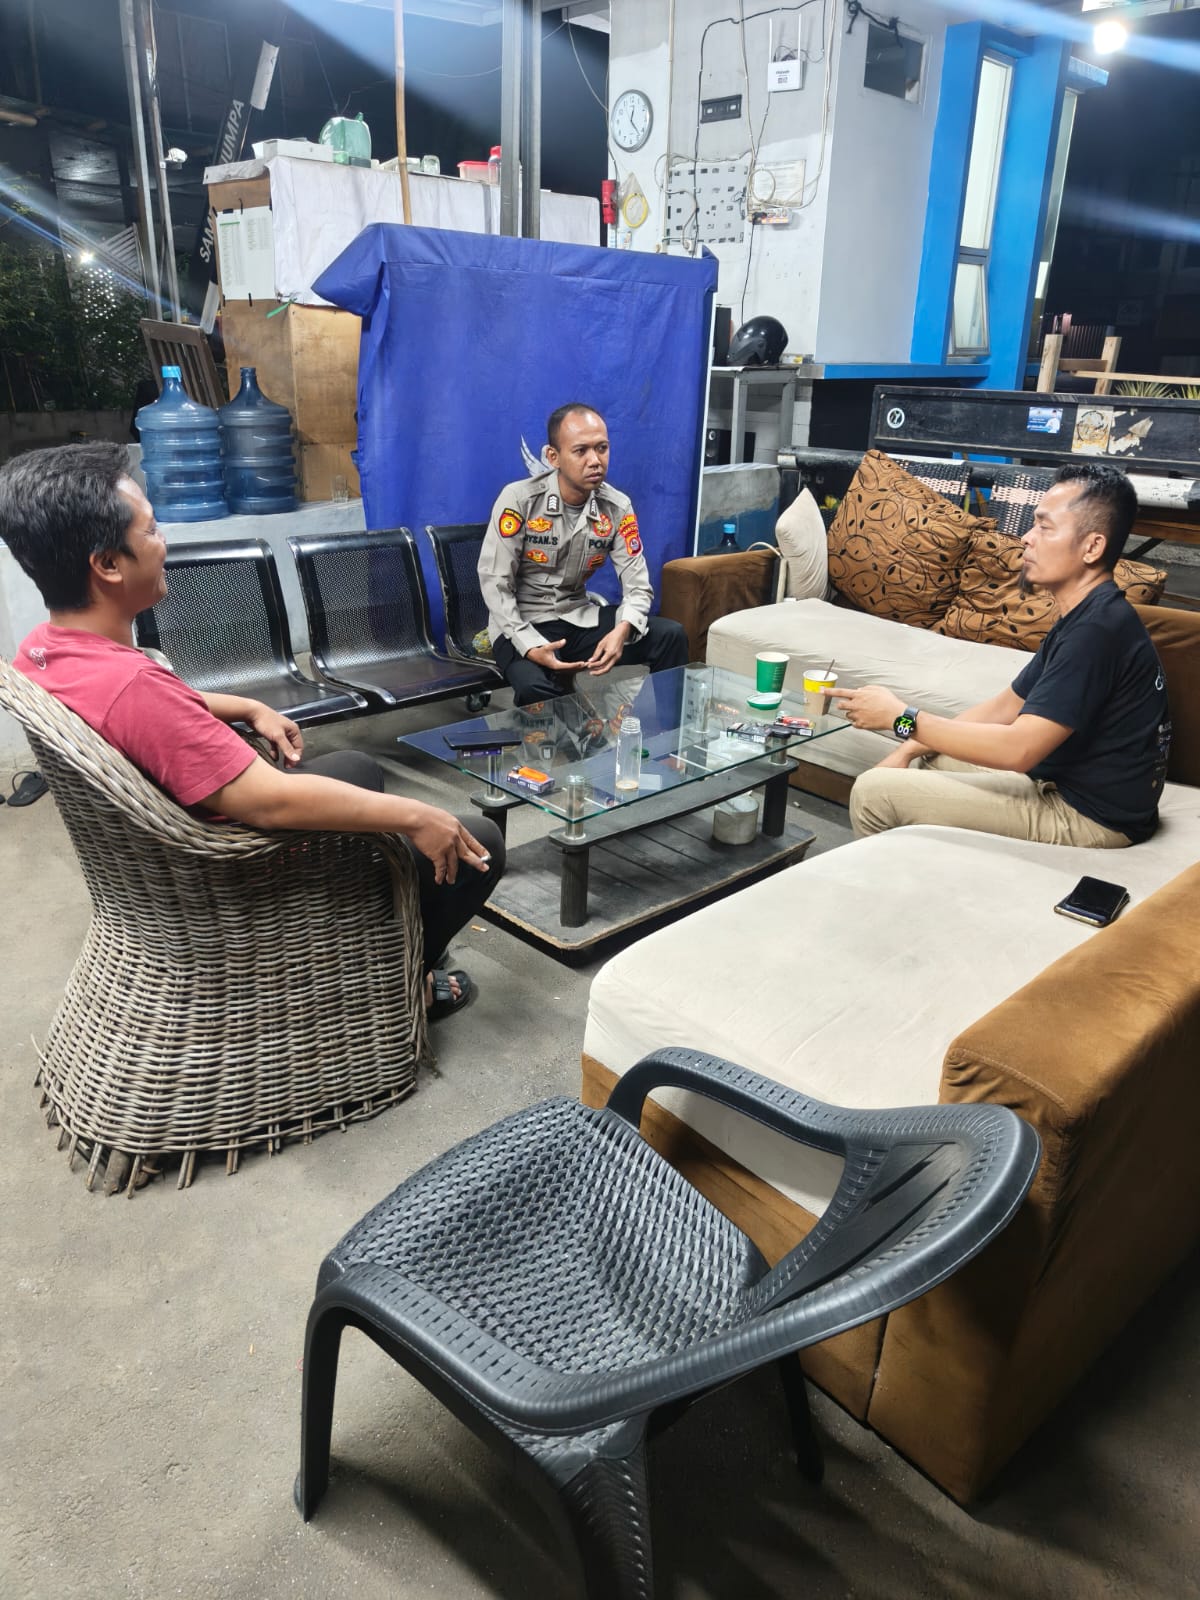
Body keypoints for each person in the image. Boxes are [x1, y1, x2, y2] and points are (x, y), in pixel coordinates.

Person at [0, 442, 504, 1021]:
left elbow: (151, 710)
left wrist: (246, 705)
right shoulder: (134, 687)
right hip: (233, 883)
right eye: (153, 530)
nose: (164, 543)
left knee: (358, 768)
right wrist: (420, 817)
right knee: (476, 841)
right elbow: (268, 802)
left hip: (167, 864)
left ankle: (394, 932)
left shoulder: (46, 650)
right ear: (108, 565)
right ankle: (402, 985)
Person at [832, 462, 1171, 848]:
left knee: (874, 792)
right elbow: (1005, 706)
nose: (1026, 538)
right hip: (1062, 782)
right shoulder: (1087, 614)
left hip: (1089, 816)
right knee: (933, 755)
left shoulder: (1096, 632)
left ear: (1092, 547)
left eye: (1044, 527)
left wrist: (901, 718)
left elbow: (1019, 750)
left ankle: (897, 883)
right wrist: (909, 746)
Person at [478, 402, 689, 706]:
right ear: (553, 457)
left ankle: (671, 732)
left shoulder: (616, 507)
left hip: (577, 617)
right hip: (521, 623)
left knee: (670, 635)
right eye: (581, 451)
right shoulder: (520, 499)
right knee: (535, 688)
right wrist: (530, 645)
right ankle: (562, 737)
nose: (595, 461)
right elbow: (495, 584)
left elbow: (638, 586)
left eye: (602, 448)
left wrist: (623, 629)